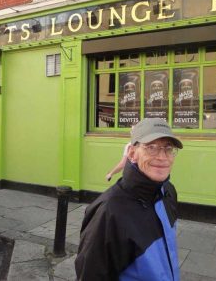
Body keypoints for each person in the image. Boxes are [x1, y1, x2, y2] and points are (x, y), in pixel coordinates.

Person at [75, 118, 183, 281]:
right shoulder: (109, 211)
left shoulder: (168, 192)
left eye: (168, 148)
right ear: (132, 153)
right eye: (151, 147)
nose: (162, 157)